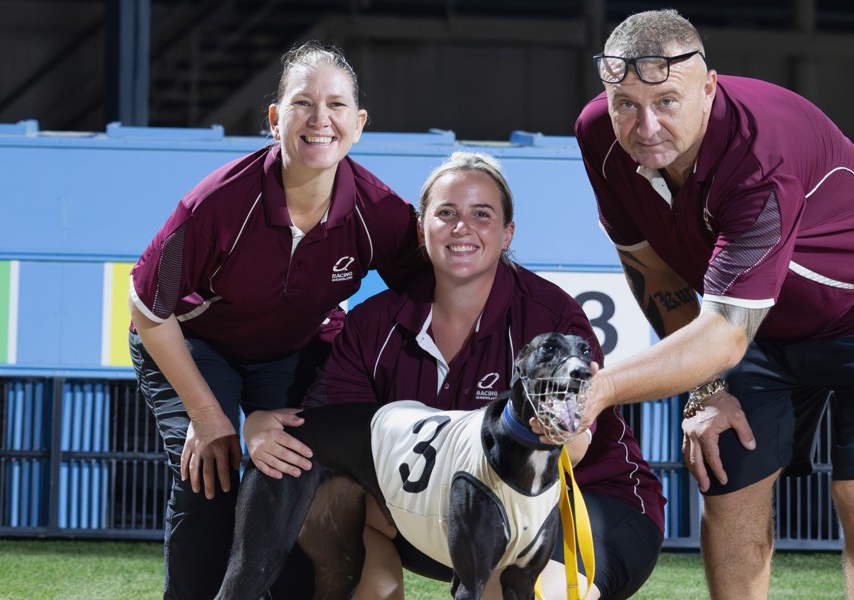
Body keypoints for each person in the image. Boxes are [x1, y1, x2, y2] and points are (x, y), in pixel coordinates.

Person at [245, 152, 665, 599]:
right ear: (422, 229)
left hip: (579, 500)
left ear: (507, 235)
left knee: (526, 589)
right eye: (446, 213)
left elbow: (574, 448)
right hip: (446, 510)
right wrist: (258, 426)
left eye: (481, 215)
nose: (462, 227)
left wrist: (553, 427)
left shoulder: (549, 318)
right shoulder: (374, 323)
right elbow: (330, 439)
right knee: (329, 495)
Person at [127, 40, 424, 599]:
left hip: (292, 348)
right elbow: (146, 309)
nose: (320, 120)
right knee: (207, 473)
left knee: (292, 468)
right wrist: (211, 417)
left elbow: (426, 295)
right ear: (274, 118)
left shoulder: (379, 211)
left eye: (337, 106)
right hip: (195, 343)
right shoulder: (216, 203)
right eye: (302, 103)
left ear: (358, 124)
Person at [574, 8, 854, 599]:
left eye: (667, 101)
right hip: (757, 323)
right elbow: (649, 265)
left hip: (839, 316)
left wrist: (598, 390)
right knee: (724, 468)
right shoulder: (597, 134)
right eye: (626, 102)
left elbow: (724, 334)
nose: (645, 125)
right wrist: (706, 389)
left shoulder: (760, 150)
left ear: (709, 87)